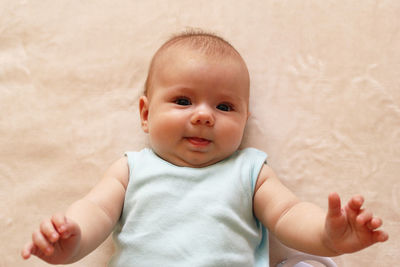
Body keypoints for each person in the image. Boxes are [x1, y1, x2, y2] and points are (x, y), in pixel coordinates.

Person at [21, 31, 388, 266]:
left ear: (245, 120)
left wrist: (327, 236)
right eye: (183, 100)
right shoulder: (132, 169)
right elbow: (95, 211)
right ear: (146, 114)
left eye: (224, 107)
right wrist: (71, 240)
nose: (204, 116)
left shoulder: (250, 171)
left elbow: (288, 214)